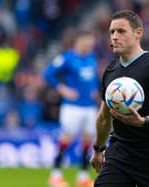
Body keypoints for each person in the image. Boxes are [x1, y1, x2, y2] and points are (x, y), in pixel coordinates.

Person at [90, 10, 149, 187]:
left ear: (138, 33)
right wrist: (98, 149)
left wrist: (144, 121)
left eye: (121, 31)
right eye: (112, 32)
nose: (115, 37)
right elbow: (103, 117)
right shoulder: (111, 71)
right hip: (119, 153)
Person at [44, 28, 99, 187]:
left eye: (92, 43)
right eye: (88, 42)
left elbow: (93, 78)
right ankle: (55, 175)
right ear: (79, 41)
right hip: (72, 107)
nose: (90, 45)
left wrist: (95, 91)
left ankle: (82, 177)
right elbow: (48, 74)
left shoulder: (91, 58)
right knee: (66, 138)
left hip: (89, 106)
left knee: (88, 140)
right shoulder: (67, 58)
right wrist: (62, 89)